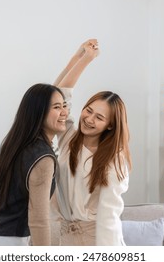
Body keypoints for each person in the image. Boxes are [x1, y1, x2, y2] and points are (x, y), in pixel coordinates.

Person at [52, 39, 132, 246]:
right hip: (66, 235)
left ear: (110, 126)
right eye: (88, 110)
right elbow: (59, 94)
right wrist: (81, 57)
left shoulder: (114, 159)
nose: (89, 119)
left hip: (95, 238)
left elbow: (109, 216)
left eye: (99, 117)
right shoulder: (69, 138)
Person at [0, 83, 68, 246]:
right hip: (7, 243)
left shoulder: (18, 144)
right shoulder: (43, 158)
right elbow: (39, 219)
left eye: (64, 105)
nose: (65, 113)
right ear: (39, 112)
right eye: (57, 107)